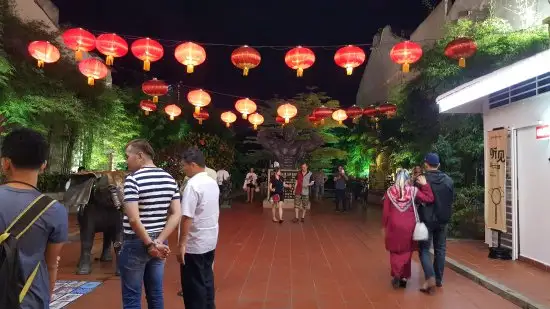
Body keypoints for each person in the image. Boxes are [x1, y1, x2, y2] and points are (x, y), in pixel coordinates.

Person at [0, 128, 68, 309]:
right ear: (43, 165)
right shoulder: (55, 211)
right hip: (30, 299)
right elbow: (51, 264)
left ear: (5, 163)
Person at [120, 139, 181, 309]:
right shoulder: (170, 179)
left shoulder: (133, 180)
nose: (127, 161)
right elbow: (177, 213)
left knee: (132, 297)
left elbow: (133, 219)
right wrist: (159, 241)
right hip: (159, 243)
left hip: (136, 242)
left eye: (128, 156)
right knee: (155, 293)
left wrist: (149, 244)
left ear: (139, 156)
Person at [178, 148, 219, 309]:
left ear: (193, 165)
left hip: (194, 244)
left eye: (184, 166)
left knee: (193, 288)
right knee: (207, 279)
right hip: (210, 240)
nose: (183, 169)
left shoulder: (192, 185)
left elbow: (187, 217)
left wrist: (181, 244)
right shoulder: (212, 182)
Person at [383, 168, 434, 289]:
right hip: (409, 225)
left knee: (394, 250)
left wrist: (384, 226)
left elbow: (385, 212)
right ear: (408, 179)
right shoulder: (413, 190)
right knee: (407, 250)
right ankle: (404, 277)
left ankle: (396, 273)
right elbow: (429, 198)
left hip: (394, 225)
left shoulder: (389, 191)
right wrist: (425, 185)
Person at [418, 153, 454, 294]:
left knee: (424, 250)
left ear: (426, 164)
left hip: (426, 221)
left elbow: (417, 200)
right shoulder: (449, 181)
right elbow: (451, 200)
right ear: (438, 164)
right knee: (440, 249)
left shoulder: (421, 180)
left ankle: (430, 277)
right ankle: (438, 279)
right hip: (443, 220)